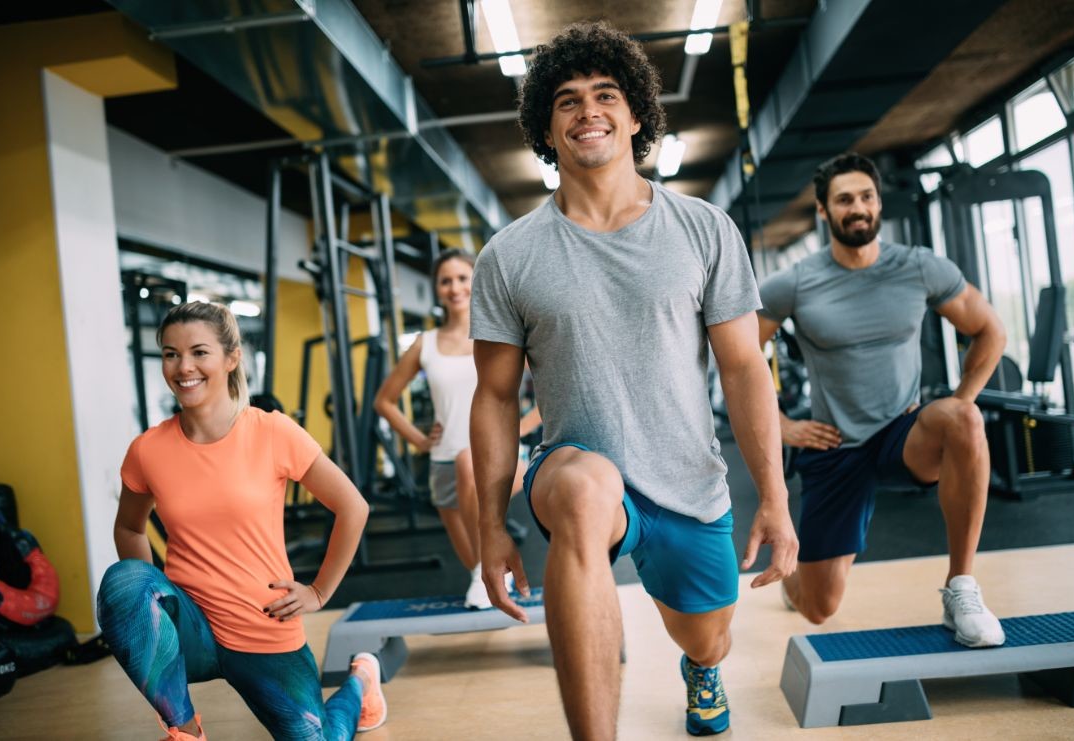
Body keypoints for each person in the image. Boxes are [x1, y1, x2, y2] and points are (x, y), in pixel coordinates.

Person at [469, 22, 798, 739]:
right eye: (566, 100)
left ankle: (701, 667)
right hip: (574, 468)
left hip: (688, 481)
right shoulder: (509, 256)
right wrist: (491, 528)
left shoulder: (703, 229)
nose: (587, 109)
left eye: (604, 94)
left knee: (706, 635)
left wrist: (773, 497)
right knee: (587, 492)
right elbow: (494, 396)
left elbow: (744, 370)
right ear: (545, 129)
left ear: (635, 115)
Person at [97, 301, 386, 740]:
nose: (183, 367)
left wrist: (318, 591)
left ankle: (360, 681)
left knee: (318, 736)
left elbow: (353, 506)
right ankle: (185, 729)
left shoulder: (272, 432)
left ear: (231, 359)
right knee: (124, 581)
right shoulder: (148, 450)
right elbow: (130, 528)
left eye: (199, 352)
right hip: (192, 625)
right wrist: (154, 611)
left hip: (262, 624)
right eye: (171, 354)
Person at [756, 152, 1007, 648]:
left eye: (866, 197)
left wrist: (961, 401)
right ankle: (797, 582)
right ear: (824, 211)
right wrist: (781, 424)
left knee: (964, 419)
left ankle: (961, 587)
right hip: (835, 445)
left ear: (878, 204)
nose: (858, 208)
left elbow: (989, 330)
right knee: (818, 608)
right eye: (845, 199)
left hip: (903, 434)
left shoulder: (917, 266)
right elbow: (737, 358)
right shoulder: (795, 282)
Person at [374, 249, 541, 609]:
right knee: (476, 569)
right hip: (443, 464)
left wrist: (521, 428)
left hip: (501, 457)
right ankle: (492, 586)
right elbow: (384, 401)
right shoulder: (425, 344)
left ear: (476, 281)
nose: (455, 287)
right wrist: (419, 440)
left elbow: (551, 386)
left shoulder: (502, 334)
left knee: (471, 461)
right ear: (437, 289)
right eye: (446, 281)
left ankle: (492, 568)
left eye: (463, 278)